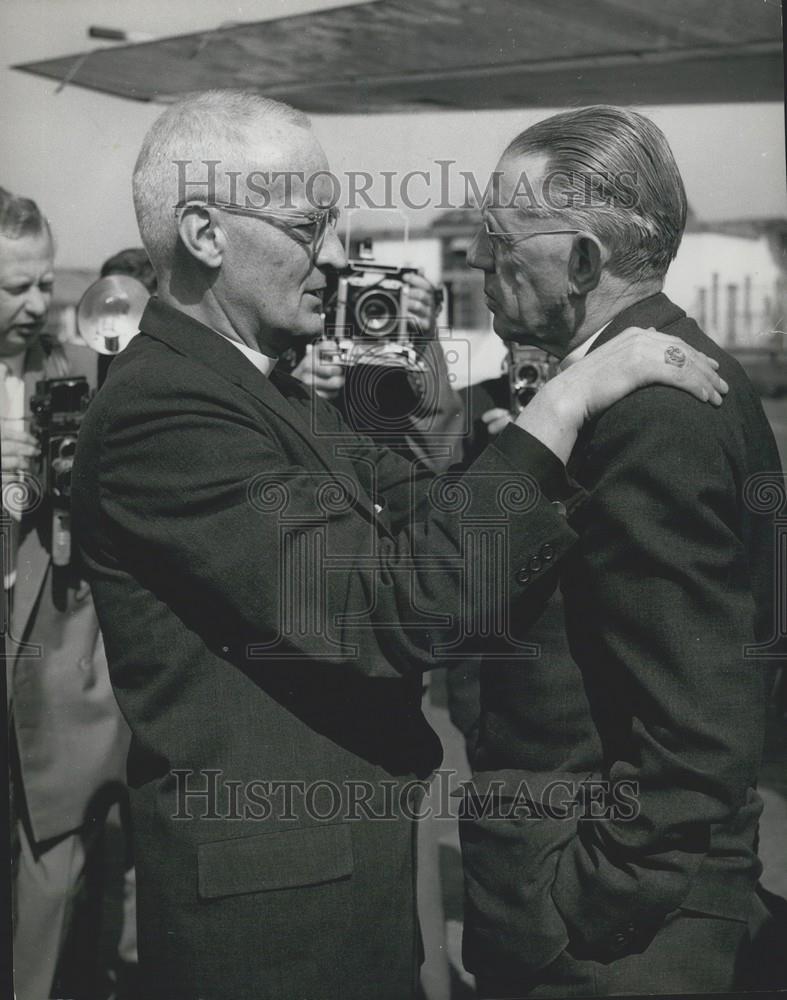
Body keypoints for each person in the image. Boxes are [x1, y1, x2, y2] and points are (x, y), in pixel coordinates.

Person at [70, 90, 726, 1000]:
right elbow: (397, 608)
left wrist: (417, 372)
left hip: (341, 885)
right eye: (307, 227)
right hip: (276, 926)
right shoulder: (163, 411)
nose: (332, 256)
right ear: (204, 233)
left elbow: (432, 516)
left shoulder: (267, 389)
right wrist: (562, 403)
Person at [458, 105, 783, 998]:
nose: (478, 266)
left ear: (582, 262)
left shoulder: (651, 413)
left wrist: (595, 900)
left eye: (495, 239)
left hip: (622, 937)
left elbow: (700, 716)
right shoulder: (627, 382)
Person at [1, 186, 130, 1000]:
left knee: (51, 907)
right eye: (15, 286)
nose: (40, 304)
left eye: (46, 282)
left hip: (50, 706)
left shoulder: (80, 373)